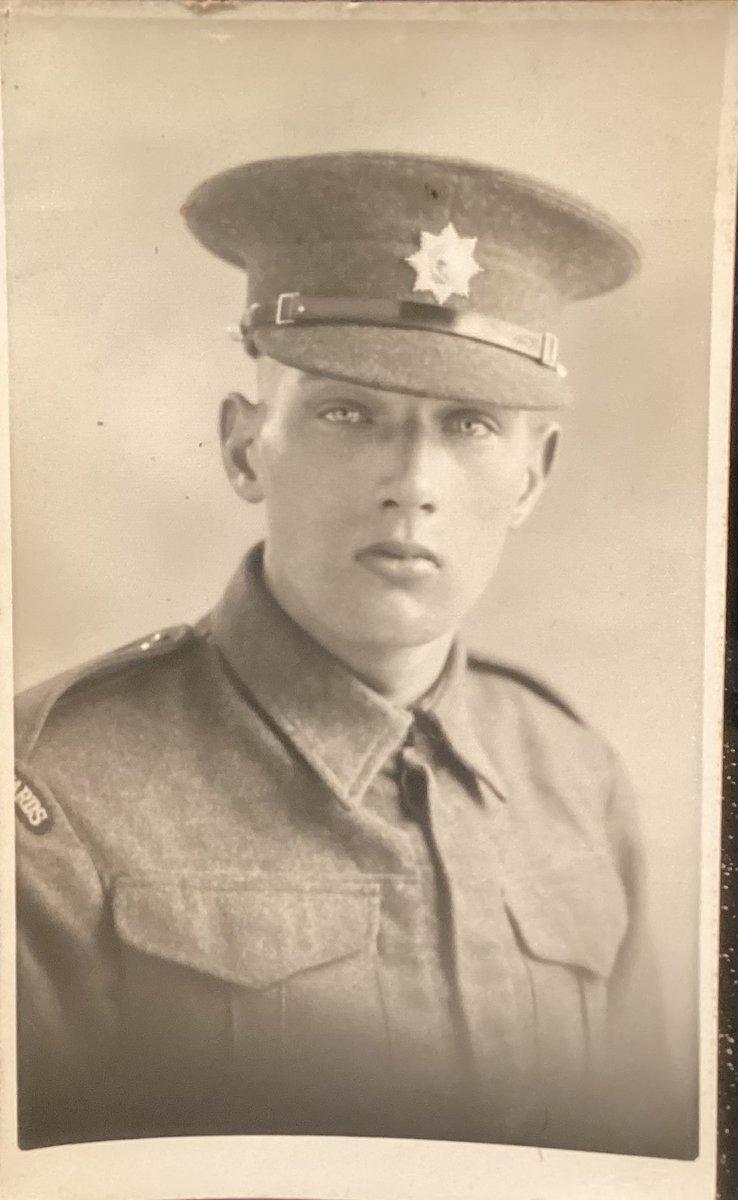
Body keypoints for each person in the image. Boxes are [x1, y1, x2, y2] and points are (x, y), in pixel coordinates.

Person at [14, 151, 692, 1156]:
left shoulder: (576, 779)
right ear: (247, 448)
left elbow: (639, 1159)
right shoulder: (58, 793)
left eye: (468, 425)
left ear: (533, 478)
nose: (412, 483)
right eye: (348, 413)